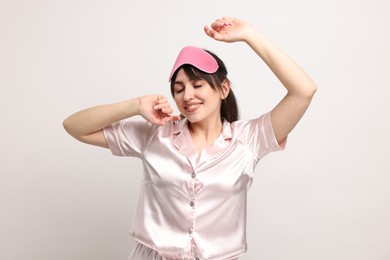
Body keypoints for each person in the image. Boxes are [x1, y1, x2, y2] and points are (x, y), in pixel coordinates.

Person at [63, 16, 317, 260]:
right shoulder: (155, 135)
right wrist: (135, 105)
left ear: (223, 89)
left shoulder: (249, 140)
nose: (187, 96)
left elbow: (304, 91)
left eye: (197, 85)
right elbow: (74, 126)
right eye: (179, 88)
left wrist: (249, 34)